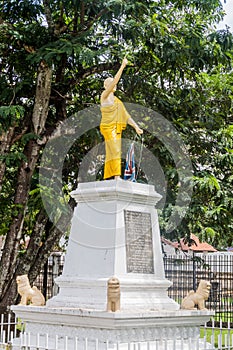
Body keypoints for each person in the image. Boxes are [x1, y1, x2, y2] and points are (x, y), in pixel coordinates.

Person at [100, 58, 143, 180]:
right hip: (107, 126)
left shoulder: (117, 101)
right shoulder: (104, 96)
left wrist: (136, 126)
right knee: (115, 149)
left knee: (114, 151)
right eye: (111, 83)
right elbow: (114, 82)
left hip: (115, 127)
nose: (115, 85)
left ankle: (113, 175)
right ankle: (116, 176)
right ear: (106, 86)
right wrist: (122, 66)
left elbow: (126, 115)